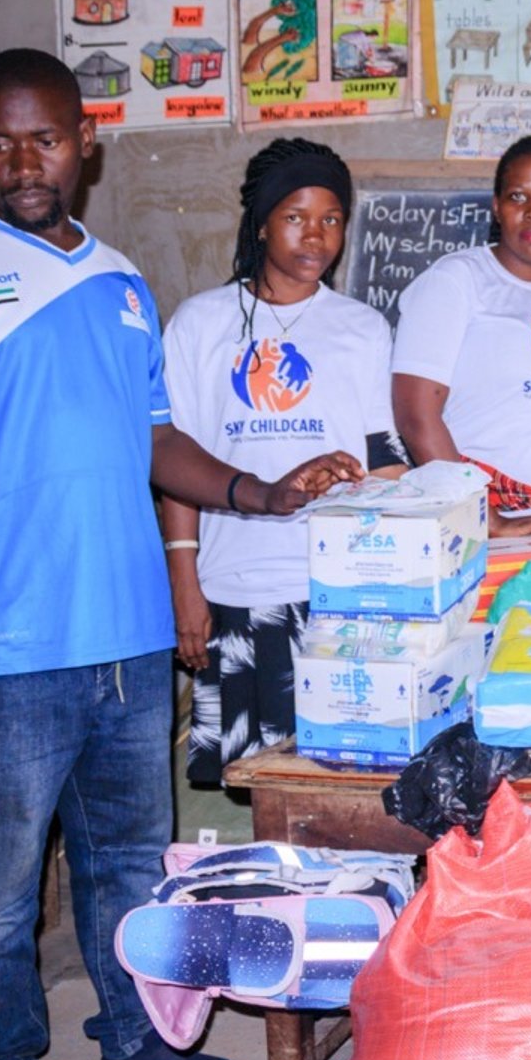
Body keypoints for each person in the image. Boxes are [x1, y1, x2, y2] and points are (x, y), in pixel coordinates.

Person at [0, 49, 358, 1060]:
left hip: (130, 641)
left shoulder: (123, 281)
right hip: (2, 649)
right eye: (0, 144)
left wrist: (261, 492)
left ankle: (139, 1053)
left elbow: (156, 442)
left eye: (45, 139)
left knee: (131, 872)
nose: (24, 164)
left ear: (85, 144)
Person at [161, 138, 406, 785]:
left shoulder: (361, 327)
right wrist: (185, 584)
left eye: (331, 219)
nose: (315, 235)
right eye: (296, 216)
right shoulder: (200, 323)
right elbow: (175, 460)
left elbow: (382, 457)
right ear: (263, 222)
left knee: (335, 776)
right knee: (250, 781)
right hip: (233, 586)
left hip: (338, 591)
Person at [392, 135, 531, 534]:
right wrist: (489, 521)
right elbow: (415, 415)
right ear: (497, 207)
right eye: (518, 197)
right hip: (500, 524)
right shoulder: (455, 281)